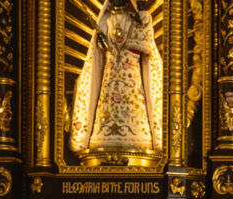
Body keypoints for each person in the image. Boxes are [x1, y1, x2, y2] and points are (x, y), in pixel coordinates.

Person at [69, 0, 163, 164]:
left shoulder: (138, 21)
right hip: (109, 78)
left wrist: (143, 15)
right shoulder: (104, 20)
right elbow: (96, 57)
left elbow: (146, 45)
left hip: (132, 78)